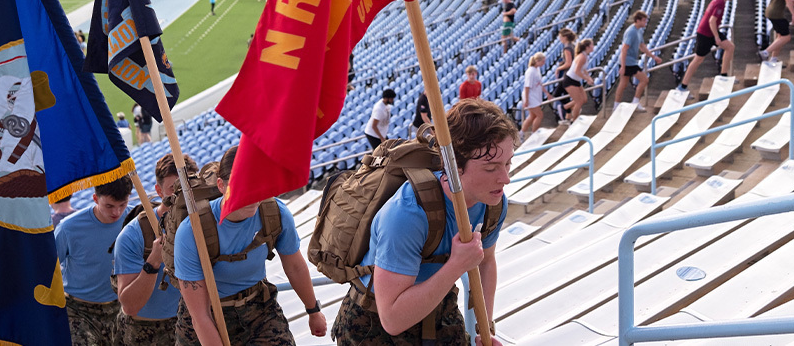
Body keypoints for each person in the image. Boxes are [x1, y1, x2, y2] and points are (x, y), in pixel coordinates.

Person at [331, 98, 516, 346]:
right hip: (373, 325)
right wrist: (456, 265)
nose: (505, 179)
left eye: (508, 163)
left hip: (439, 308)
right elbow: (393, 319)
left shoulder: (493, 204)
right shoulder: (407, 214)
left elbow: (485, 262)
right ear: (455, 167)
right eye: (491, 168)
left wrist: (485, 327)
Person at [175, 147, 325, 345]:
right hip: (210, 314)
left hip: (258, 309)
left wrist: (313, 311)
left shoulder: (275, 213)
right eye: (242, 188)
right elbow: (200, 316)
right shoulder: (191, 232)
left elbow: (295, 266)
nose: (252, 196)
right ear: (221, 185)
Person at [114, 154, 192, 345]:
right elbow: (130, 306)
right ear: (159, 191)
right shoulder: (134, 235)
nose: (181, 195)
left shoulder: (203, 223)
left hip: (189, 325)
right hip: (144, 331)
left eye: (188, 187)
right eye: (173, 189)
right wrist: (154, 261)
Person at [55, 176, 133, 346]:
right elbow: (46, 268)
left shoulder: (134, 221)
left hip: (119, 308)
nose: (117, 213)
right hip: (78, 310)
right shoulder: (68, 228)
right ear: (96, 199)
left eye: (122, 205)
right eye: (109, 206)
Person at [678, 0, 737, 92]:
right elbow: (712, 21)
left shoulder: (718, 0)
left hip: (711, 32)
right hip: (706, 34)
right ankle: (683, 85)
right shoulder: (720, 3)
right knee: (698, 60)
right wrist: (716, 37)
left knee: (730, 47)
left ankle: (723, 75)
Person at [615, 11, 661, 111]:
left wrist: (653, 57)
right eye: (644, 20)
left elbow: (642, 46)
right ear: (638, 20)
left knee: (624, 84)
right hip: (628, 62)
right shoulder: (631, 32)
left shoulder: (639, 30)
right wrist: (623, 66)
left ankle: (617, 105)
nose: (646, 22)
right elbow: (624, 49)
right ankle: (634, 102)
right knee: (644, 80)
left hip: (631, 61)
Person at [563, 38, 595, 122]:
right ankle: (574, 121)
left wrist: (588, 77)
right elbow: (576, 71)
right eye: (592, 44)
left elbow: (583, 69)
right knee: (579, 102)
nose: (593, 46)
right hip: (570, 80)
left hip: (575, 80)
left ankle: (567, 106)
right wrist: (587, 78)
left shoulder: (585, 55)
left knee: (584, 99)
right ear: (587, 47)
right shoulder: (582, 57)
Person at [521, 53, 548, 139]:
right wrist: (527, 100)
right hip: (531, 97)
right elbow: (527, 86)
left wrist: (547, 93)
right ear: (537, 61)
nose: (544, 63)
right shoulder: (530, 71)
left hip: (535, 96)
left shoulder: (537, 69)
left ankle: (521, 133)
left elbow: (540, 83)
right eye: (543, 61)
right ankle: (533, 134)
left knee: (532, 116)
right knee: (540, 115)